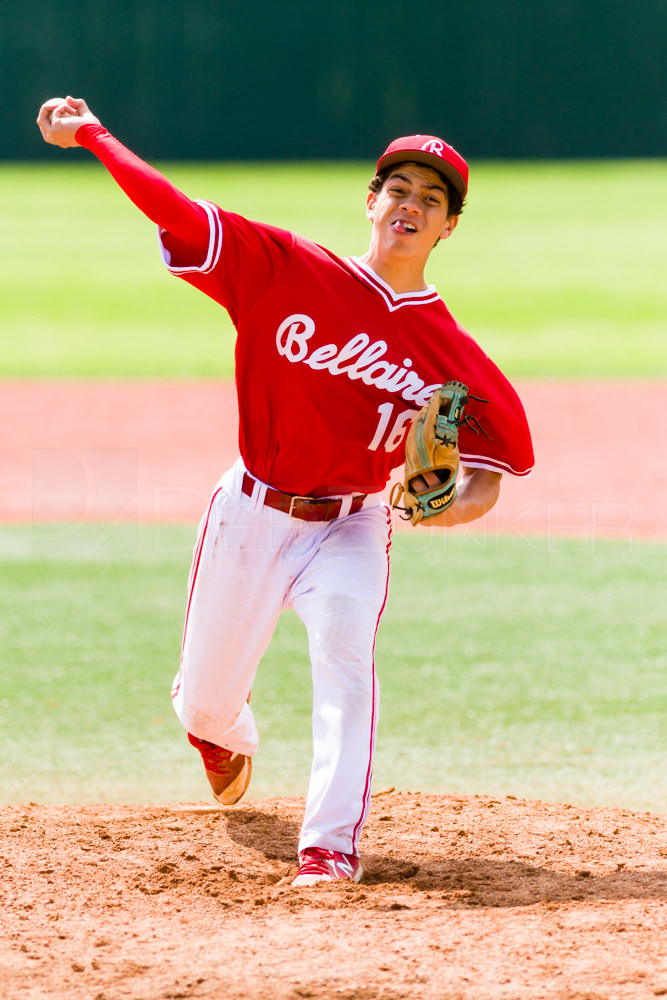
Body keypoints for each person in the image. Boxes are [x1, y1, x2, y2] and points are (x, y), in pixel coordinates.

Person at [37, 96, 534, 886]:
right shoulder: (284, 268)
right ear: (370, 202)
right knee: (202, 703)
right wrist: (92, 135)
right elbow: (172, 209)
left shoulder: (453, 355)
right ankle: (218, 730)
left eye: (431, 199)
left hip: (353, 524)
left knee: (346, 661)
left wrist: (452, 505)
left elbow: (488, 476)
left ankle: (328, 847)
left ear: (448, 228)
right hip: (250, 513)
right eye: (398, 189)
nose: (410, 205)